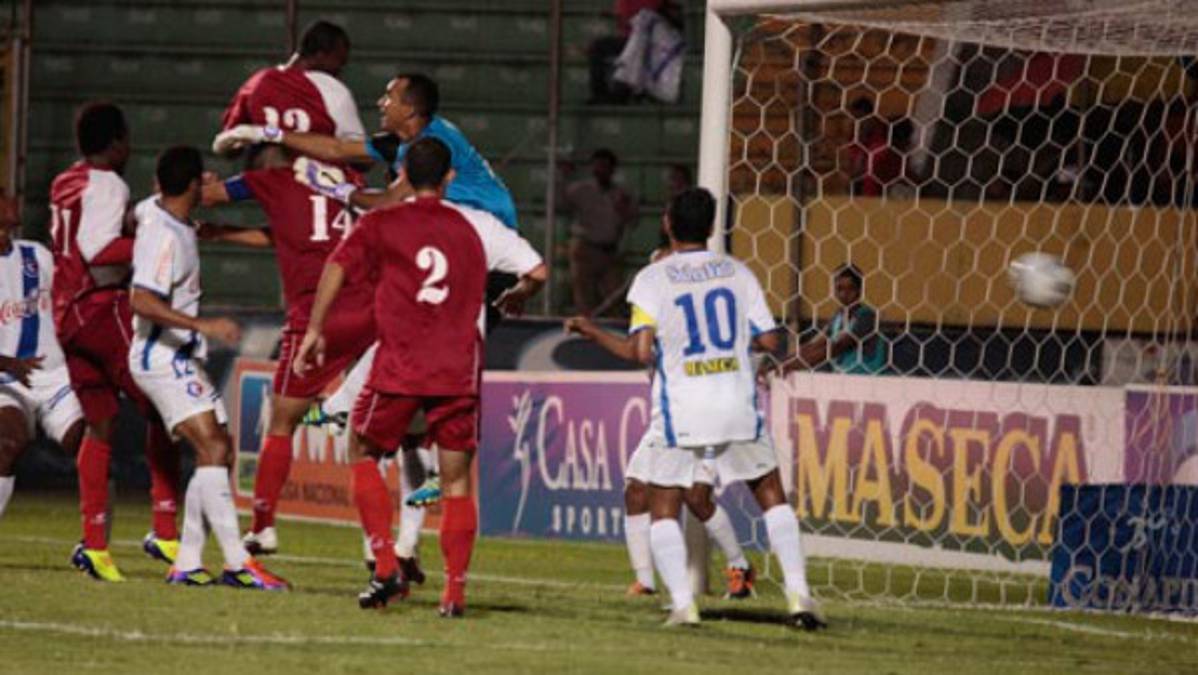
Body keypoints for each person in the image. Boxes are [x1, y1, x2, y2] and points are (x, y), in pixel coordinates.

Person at [293, 137, 547, 614]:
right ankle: (454, 593)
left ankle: (385, 563)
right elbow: (538, 270)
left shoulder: (384, 221)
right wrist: (517, 293)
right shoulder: (480, 225)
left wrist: (314, 331)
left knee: (362, 451)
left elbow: (337, 266)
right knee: (455, 483)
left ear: (404, 174)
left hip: (400, 365)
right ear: (451, 177)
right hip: (457, 369)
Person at [565, 187, 824, 629]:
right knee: (771, 497)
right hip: (736, 404)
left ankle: (684, 606)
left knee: (665, 503)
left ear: (667, 223)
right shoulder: (739, 273)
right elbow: (770, 341)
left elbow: (639, 352)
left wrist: (592, 332)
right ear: (711, 227)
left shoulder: (654, 278)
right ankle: (799, 598)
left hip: (682, 410)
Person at [199, 145, 378, 558]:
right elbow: (283, 233)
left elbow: (210, 195)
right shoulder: (349, 181)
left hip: (319, 313)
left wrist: (201, 188)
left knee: (281, 422)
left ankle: (262, 527)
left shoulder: (274, 178)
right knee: (369, 433)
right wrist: (221, 233)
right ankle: (378, 544)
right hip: (368, 311)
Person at [128, 146, 288, 590]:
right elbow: (141, 299)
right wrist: (204, 324)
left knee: (218, 448)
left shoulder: (160, 214)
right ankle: (237, 562)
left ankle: (188, 561)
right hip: (160, 357)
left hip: (178, 356)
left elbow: (138, 210)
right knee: (215, 448)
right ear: (195, 185)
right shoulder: (165, 236)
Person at [49, 101, 180, 582]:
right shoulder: (109, 183)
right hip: (100, 307)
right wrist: (151, 238)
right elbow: (99, 249)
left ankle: (96, 544)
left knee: (101, 425)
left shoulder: (67, 181)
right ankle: (165, 529)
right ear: (118, 141)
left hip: (65, 315)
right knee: (168, 406)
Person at [213, 72, 517, 229]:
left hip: (488, 231)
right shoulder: (404, 139)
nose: (380, 103)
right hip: (462, 227)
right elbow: (336, 148)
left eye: (389, 97)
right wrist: (267, 133)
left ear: (409, 109)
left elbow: (385, 202)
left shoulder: (430, 146)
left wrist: (334, 188)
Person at [0, 194, 86, 520]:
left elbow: (69, 298)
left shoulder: (36, 255)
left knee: (90, 445)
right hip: (5, 379)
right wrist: (8, 363)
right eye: (3, 200)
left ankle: (96, 548)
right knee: (8, 443)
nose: (13, 203)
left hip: (54, 375)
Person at [219, 20, 364, 144]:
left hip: (262, 175)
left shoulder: (256, 83)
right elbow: (360, 157)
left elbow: (227, 144)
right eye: (340, 61)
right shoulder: (334, 90)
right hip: (313, 175)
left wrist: (263, 137)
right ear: (320, 56)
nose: (341, 70)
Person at [560, 148, 637, 316]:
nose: (601, 170)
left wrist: (624, 210)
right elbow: (560, 203)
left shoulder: (621, 194)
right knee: (584, 299)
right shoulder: (580, 189)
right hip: (585, 248)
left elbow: (633, 221)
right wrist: (564, 176)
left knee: (615, 296)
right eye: (598, 166)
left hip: (609, 250)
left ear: (612, 170)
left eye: (606, 166)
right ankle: (585, 333)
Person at [786, 263, 886, 375]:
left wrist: (796, 364)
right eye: (840, 289)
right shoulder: (837, 318)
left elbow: (838, 347)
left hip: (866, 380)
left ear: (860, 290)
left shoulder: (867, 316)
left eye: (851, 289)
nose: (844, 294)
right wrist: (784, 361)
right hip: (842, 380)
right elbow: (815, 344)